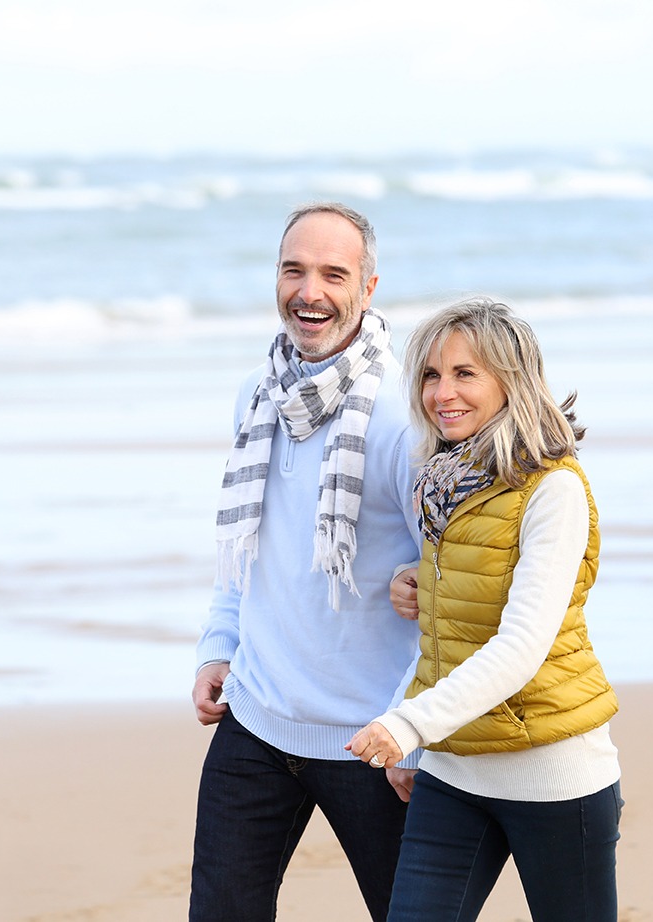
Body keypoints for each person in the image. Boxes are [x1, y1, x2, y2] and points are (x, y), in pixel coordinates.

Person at [346, 298, 622, 922]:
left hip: (553, 774)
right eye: (430, 375)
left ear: (511, 380)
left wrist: (406, 726)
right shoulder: (443, 482)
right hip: (455, 772)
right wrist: (416, 578)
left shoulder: (555, 489)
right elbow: (452, 630)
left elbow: (520, 646)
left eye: (465, 373)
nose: (443, 393)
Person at [190, 203, 423, 922]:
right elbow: (249, 541)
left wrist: (415, 724)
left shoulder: (401, 415)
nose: (309, 291)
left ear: (370, 286)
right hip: (256, 720)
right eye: (294, 270)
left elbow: (450, 579)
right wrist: (219, 643)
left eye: (333, 273)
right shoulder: (257, 394)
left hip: (371, 740)